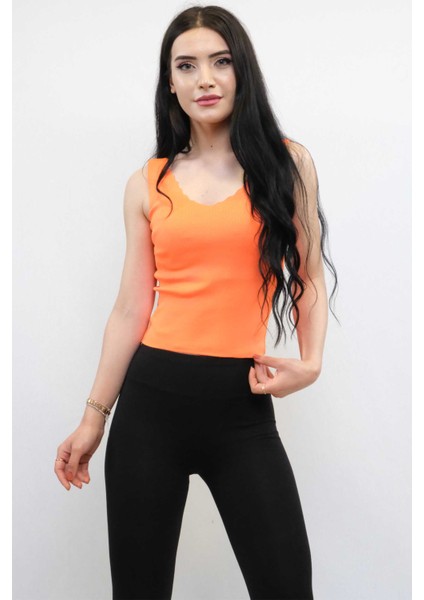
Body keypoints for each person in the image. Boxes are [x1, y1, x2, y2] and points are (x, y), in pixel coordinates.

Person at [54, 5, 338, 599]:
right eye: (186, 66)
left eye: (220, 62)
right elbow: (130, 309)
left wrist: (311, 364)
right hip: (149, 410)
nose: (204, 79)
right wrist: (92, 418)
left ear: (242, 71)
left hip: (242, 413)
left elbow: (309, 275)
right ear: (170, 83)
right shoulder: (148, 182)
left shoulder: (287, 164)